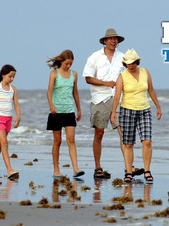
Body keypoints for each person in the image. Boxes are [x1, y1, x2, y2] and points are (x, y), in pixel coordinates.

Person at [83, 28, 143, 178]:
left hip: (121, 99)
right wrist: (106, 83)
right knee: (99, 133)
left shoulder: (123, 57)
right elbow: (88, 78)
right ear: (105, 41)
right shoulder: (94, 57)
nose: (113, 41)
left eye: (115, 39)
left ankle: (129, 168)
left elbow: (132, 73)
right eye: (110, 39)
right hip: (100, 99)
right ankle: (98, 168)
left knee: (124, 134)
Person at [111, 49, 162, 183]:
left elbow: (151, 90)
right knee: (128, 144)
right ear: (125, 63)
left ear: (137, 62)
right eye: (128, 63)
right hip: (127, 111)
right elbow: (117, 96)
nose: (131, 65)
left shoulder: (145, 72)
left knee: (147, 141)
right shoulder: (122, 76)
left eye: (133, 63)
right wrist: (113, 112)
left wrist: (158, 106)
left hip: (144, 110)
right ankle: (128, 172)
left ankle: (147, 171)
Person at [46, 49, 84, 179]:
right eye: (67, 63)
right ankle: (56, 169)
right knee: (57, 140)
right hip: (56, 112)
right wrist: (51, 104)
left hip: (69, 111)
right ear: (61, 61)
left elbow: (75, 93)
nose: (69, 66)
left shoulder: (74, 74)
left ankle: (75, 168)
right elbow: (49, 91)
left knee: (71, 140)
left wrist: (79, 109)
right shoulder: (54, 74)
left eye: (71, 64)